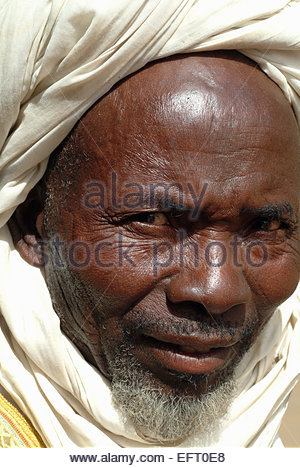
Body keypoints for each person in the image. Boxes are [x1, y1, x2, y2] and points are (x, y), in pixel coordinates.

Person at [0, 0, 300, 448]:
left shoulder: (267, 404)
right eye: (152, 220)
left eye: (266, 227)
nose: (217, 291)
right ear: (33, 223)